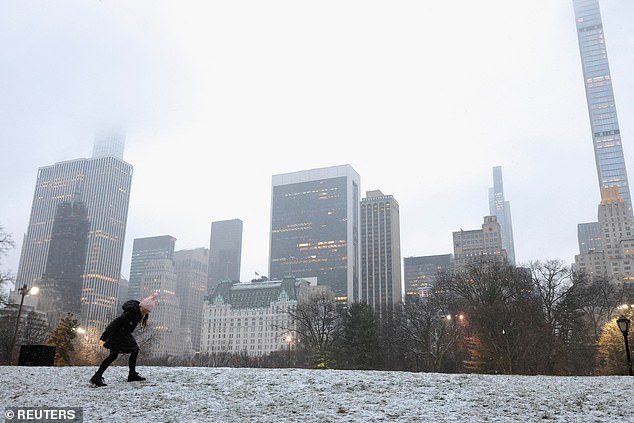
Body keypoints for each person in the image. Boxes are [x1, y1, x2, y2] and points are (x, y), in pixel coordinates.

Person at [89, 292, 158, 387]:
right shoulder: (131, 313)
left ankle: (131, 374)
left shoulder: (139, 312)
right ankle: (97, 377)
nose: (145, 313)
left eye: (147, 312)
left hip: (123, 334)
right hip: (118, 335)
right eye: (144, 310)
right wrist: (107, 332)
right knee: (115, 355)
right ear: (141, 306)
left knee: (130, 351)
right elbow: (117, 321)